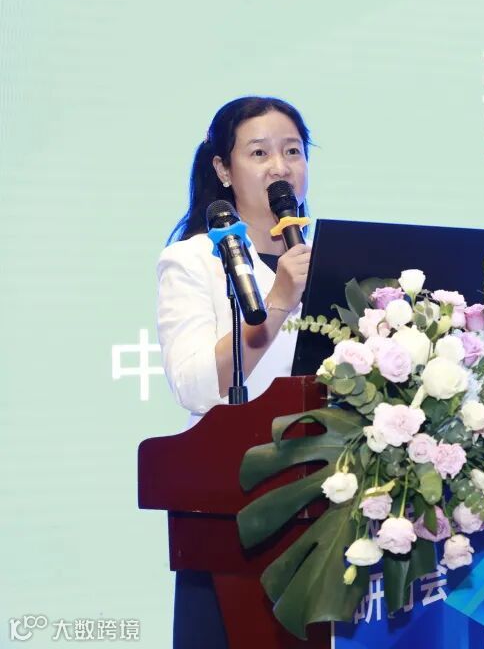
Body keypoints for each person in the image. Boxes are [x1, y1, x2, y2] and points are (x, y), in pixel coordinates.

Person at [156, 96, 314, 648]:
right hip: (236, 508)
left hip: (328, 499)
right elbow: (196, 385)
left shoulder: (327, 259)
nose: (280, 168)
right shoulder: (193, 261)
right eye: (259, 153)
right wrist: (279, 300)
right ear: (223, 169)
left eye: (292, 151)